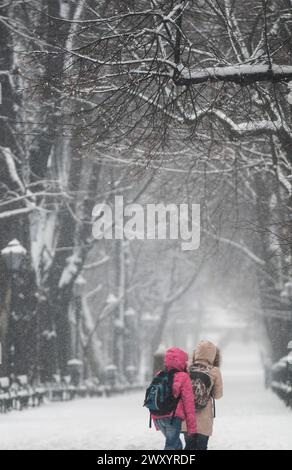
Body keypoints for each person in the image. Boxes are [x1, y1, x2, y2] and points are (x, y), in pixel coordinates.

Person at [151, 347, 197, 450]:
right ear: (182, 361)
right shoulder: (183, 377)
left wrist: (155, 420)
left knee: (176, 445)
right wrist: (192, 428)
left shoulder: (159, 375)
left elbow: (153, 398)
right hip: (173, 418)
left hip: (158, 416)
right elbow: (188, 403)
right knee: (171, 446)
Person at [184, 340, 223, 450]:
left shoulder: (187, 368)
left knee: (189, 447)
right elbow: (218, 395)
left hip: (187, 417)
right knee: (201, 447)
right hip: (204, 418)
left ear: (196, 352)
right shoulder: (214, 371)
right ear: (213, 355)